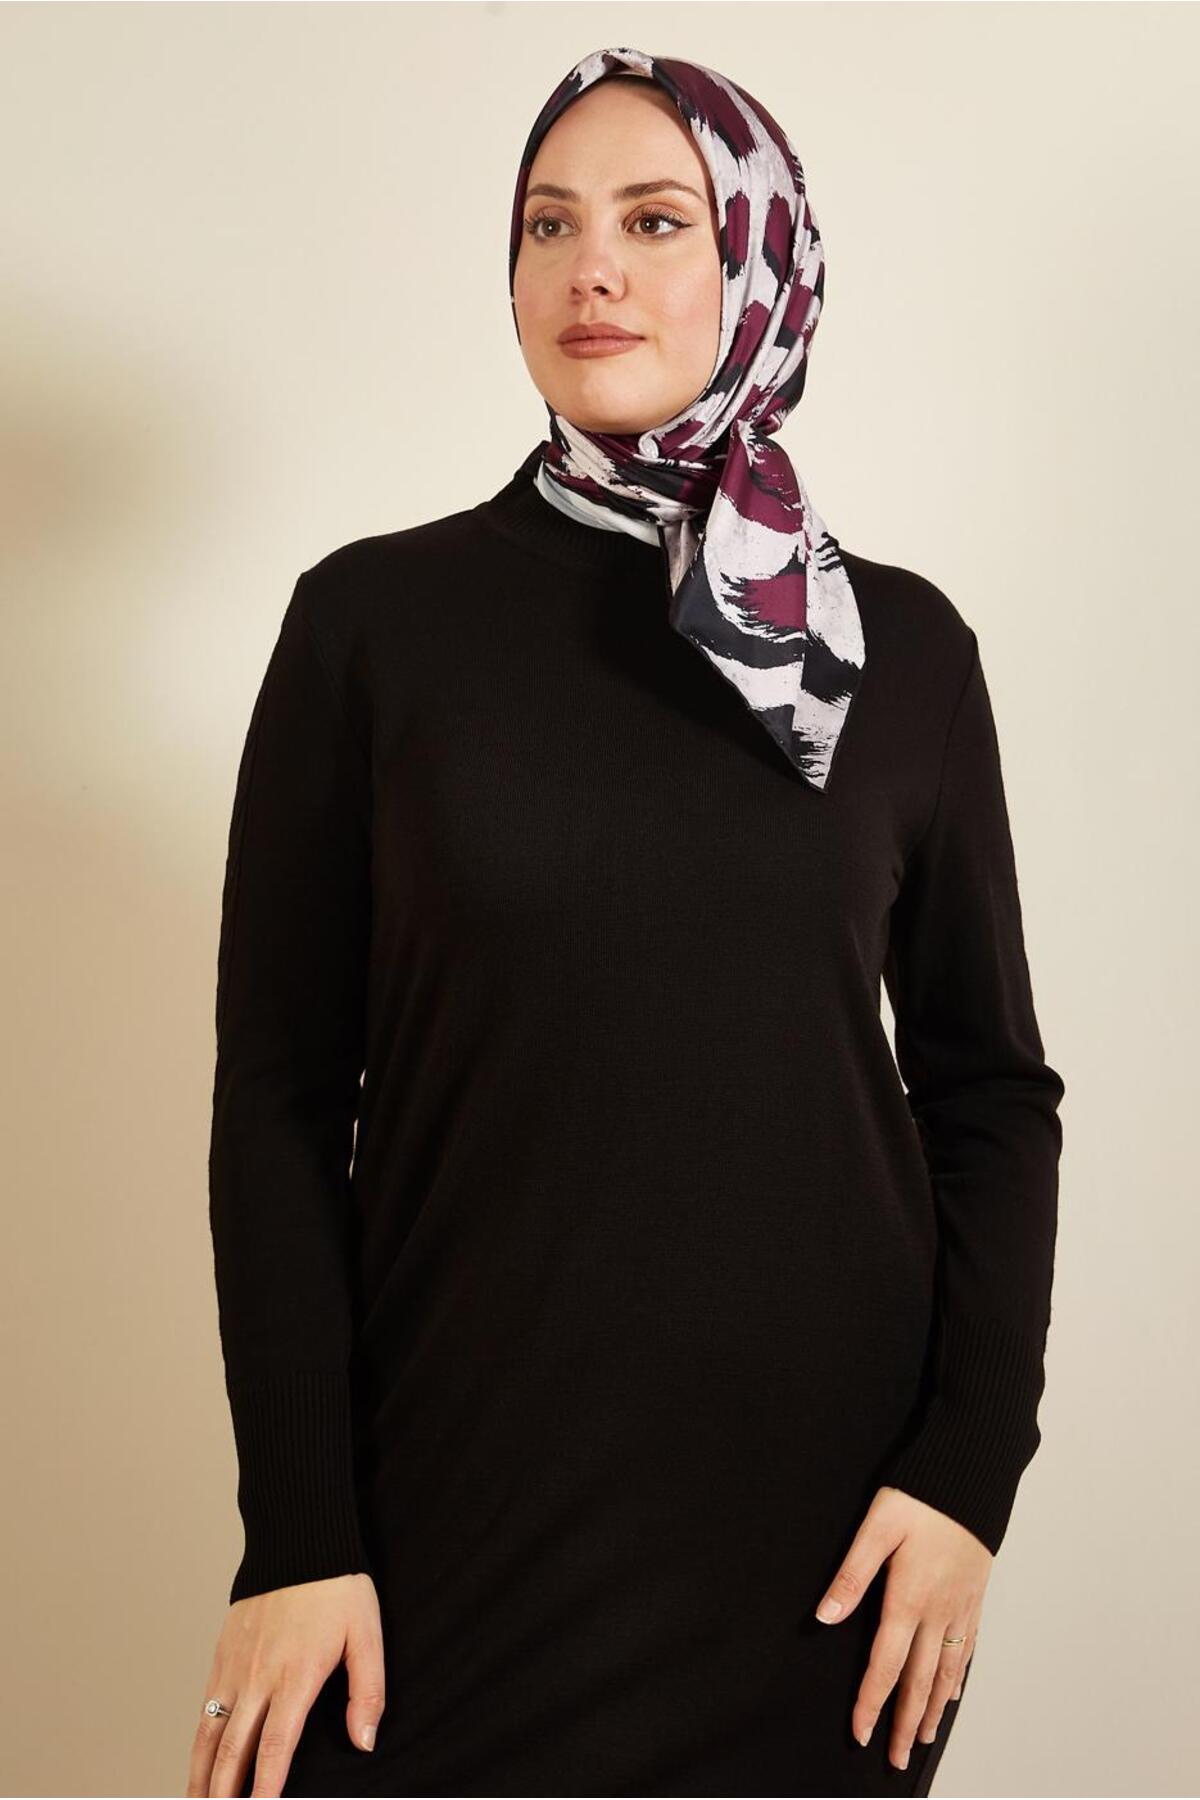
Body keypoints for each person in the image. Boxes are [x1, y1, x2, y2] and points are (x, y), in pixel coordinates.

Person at [190, 45, 1065, 1800]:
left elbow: (987, 1095)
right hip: (440, 1526)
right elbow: (279, 1102)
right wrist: (297, 1531)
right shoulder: (371, 626)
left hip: (824, 1560)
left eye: (657, 221)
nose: (591, 267)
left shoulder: (899, 652)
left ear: (760, 264)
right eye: (549, 224)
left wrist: (969, 1476)